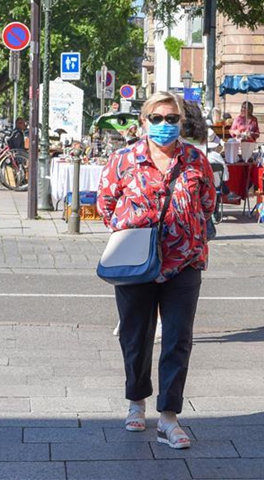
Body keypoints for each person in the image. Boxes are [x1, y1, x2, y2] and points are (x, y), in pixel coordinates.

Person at [97, 91, 216, 450]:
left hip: (184, 261)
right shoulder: (123, 159)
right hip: (135, 261)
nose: (165, 124)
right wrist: (134, 232)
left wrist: (186, 230)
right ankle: (136, 402)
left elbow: (207, 203)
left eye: (172, 118)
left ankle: (169, 417)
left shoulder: (195, 159)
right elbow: (106, 204)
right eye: (157, 118)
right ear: (144, 121)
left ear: (181, 121)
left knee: (178, 338)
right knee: (135, 335)